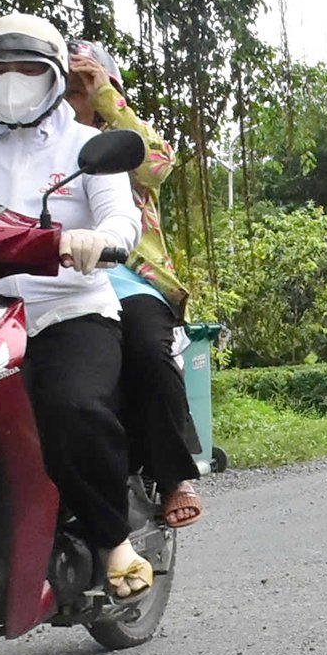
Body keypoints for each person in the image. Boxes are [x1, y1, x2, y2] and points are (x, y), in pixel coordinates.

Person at [0, 13, 148, 598]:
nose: (11, 79)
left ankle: (111, 538)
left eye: (27, 68)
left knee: (70, 407)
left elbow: (121, 216)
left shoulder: (86, 146)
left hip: (68, 311)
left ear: (52, 75)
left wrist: (100, 239)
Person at [67, 39, 203, 529]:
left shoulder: (128, 138)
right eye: (61, 85)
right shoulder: (37, 144)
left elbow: (159, 166)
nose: (71, 95)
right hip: (51, 280)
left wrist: (104, 96)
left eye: (82, 84)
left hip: (130, 276)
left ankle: (173, 476)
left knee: (148, 349)